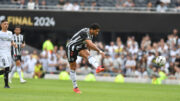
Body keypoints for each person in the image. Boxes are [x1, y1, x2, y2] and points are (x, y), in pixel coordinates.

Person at [66, 23, 105, 93]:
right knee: (73, 67)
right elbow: (90, 44)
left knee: (88, 54)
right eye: (96, 31)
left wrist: (87, 54)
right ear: (91, 30)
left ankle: (98, 67)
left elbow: (88, 45)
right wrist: (99, 50)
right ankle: (75, 87)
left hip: (80, 47)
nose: (97, 33)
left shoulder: (91, 35)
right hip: (72, 48)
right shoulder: (84, 32)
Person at [0, 20, 17, 88]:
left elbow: (11, 41)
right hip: (1, 52)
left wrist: (14, 44)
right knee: (6, 67)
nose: (6, 25)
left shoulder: (10, 33)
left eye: (7, 24)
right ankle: (6, 85)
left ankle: (6, 85)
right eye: (4, 24)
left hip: (8, 52)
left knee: (7, 69)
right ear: (1, 25)